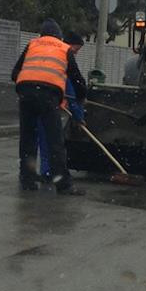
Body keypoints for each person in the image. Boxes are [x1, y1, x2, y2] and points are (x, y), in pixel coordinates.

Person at [12, 19, 87, 195]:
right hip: (48, 97)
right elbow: (77, 79)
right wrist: (81, 98)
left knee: (28, 140)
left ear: (41, 34)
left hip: (26, 95)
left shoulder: (32, 44)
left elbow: (15, 73)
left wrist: (28, 86)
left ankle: (27, 180)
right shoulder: (63, 48)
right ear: (59, 36)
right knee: (55, 141)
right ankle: (63, 184)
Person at [37, 32, 86, 178]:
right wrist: (79, 117)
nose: (75, 54)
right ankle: (51, 173)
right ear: (69, 47)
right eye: (75, 51)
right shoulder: (64, 58)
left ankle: (34, 173)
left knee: (38, 140)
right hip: (48, 104)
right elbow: (71, 95)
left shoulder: (47, 55)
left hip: (32, 98)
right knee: (52, 141)